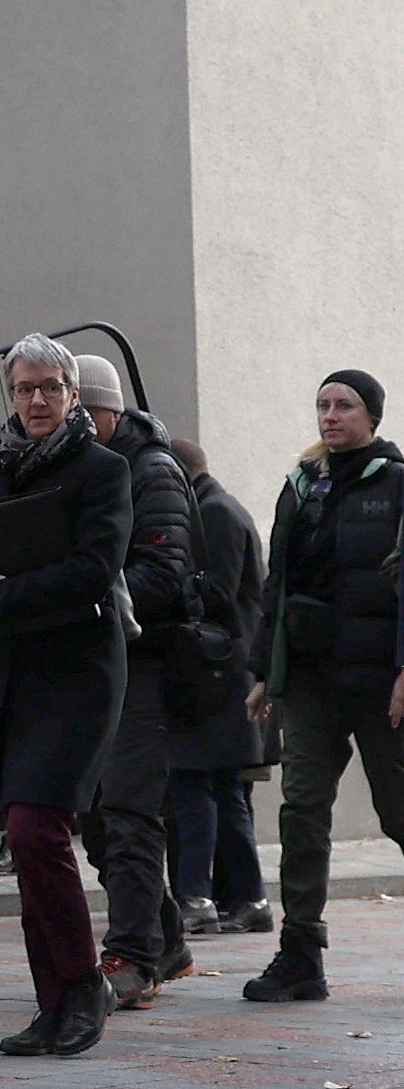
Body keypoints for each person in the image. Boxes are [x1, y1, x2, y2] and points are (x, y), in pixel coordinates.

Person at [0, 334, 135, 1057]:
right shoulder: (3, 465)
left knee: (37, 830)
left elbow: (94, 571)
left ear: (71, 395)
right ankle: (53, 1002)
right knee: (28, 845)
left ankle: (83, 985)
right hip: (15, 676)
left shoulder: (104, 469)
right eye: (23, 389)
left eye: (48, 389)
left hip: (81, 676)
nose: (35, 401)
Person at [240, 371, 404, 1003]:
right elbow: (275, 585)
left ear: (373, 417)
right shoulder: (301, 486)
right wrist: (264, 672)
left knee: (397, 812)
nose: (330, 416)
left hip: (380, 682)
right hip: (311, 679)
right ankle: (301, 954)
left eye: (344, 406)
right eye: (322, 405)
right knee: (302, 810)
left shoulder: (395, 483)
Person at [70, 352, 197, 1005]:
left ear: (111, 410)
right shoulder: (64, 468)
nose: (74, 422)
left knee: (127, 810)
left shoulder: (151, 471)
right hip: (84, 663)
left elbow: (165, 572)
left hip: (141, 664)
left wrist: (83, 597)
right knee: (93, 815)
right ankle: (164, 935)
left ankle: (132, 956)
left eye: (84, 411)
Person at [164, 442, 272, 938]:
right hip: (225, 674)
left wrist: (174, 583)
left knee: (194, 786)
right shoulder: (219, 508)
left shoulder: (214, 514)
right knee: (224, 792)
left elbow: (218, 592)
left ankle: (197, 897)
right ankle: (249, 900)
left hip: (214, 676)